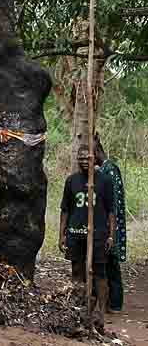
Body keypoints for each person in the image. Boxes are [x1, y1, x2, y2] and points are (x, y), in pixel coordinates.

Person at [59, 144, 116, 328]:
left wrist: (111, 236)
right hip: (76, 234)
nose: (84, 161)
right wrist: (62, 234)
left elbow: (111, 211)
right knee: (77, 271)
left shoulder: (105, 181)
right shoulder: (71, 181)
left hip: (98, 235)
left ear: (94, 159)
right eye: (81, 158)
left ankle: (100, 311)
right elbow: (65, 210)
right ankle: (78, 307)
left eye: (87, 158)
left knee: (100, 273)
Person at [95, 134, 127, 313]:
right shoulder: (104, 170)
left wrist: (111, 231)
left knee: (112, 264)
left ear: (98, 152)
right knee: (106, 263)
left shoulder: (110, 170)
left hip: (111, 226)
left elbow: (113, 204)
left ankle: (115, 303)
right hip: (105, 226)